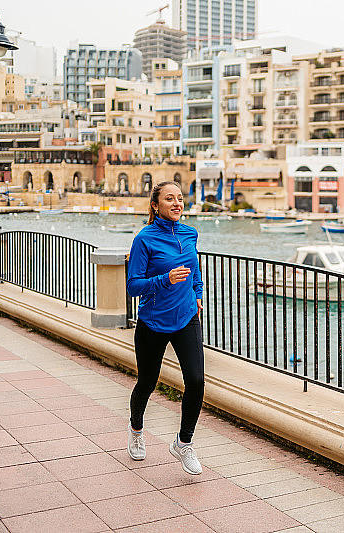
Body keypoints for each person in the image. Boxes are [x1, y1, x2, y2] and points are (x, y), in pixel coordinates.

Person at [126, 181, 204, 475]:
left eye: (180, 198)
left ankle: (184, 443)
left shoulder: (189, 233)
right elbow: (133, 286)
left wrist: (197, 294)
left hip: (186, 318)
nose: (176, 203)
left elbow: (194, 268)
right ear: (155, 206)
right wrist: (165, 279)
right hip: (153, 322)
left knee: (196, 381)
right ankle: (136, 430)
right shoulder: (144, 239)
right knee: (147, 382)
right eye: (169, 199)